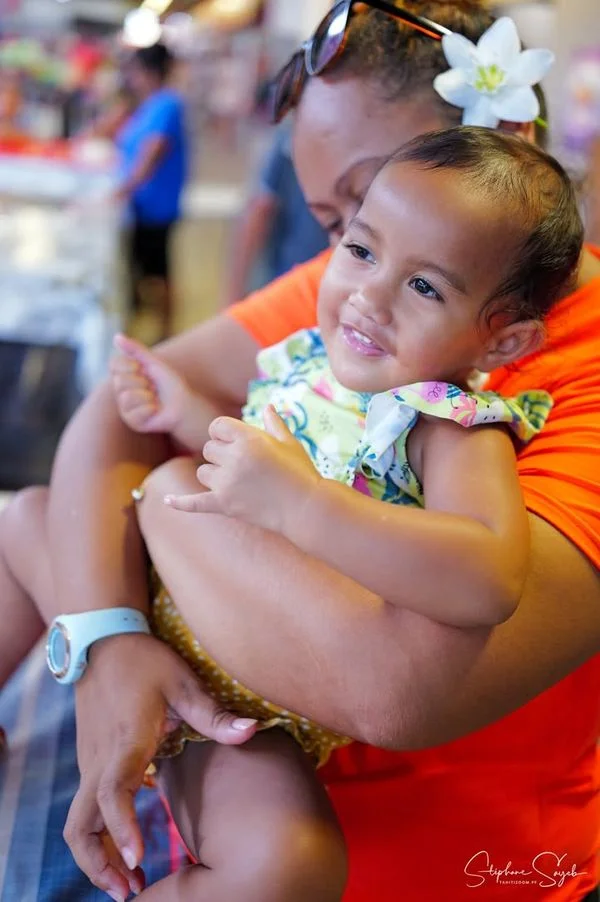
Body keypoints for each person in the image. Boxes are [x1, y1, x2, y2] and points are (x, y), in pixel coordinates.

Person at [1, 3, 599, 900]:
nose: (347, 279)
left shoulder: (455, 399)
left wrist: (166, 497)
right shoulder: (362, 296)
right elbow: (123, 409)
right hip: (214, 718)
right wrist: (107, 637)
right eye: (343, 229)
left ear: (497, 145)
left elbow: (400, 685)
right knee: (29, 516)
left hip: (447, 865)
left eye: (365, 201)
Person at [116, 43, 188, 340]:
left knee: (157, 271)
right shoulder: (149, 104)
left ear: (148, 72)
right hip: (142, 203)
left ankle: (167, 332)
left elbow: (151, 153)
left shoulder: (167, 104)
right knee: (144, 267)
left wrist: (120, 191)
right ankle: (150, 324)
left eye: (134, 71)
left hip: (156, 205)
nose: (130, 78)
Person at [224, 122, 329, 306]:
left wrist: (233, 296)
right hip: (305, 282)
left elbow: (258, 210)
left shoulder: (293, 133)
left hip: (293, 283)